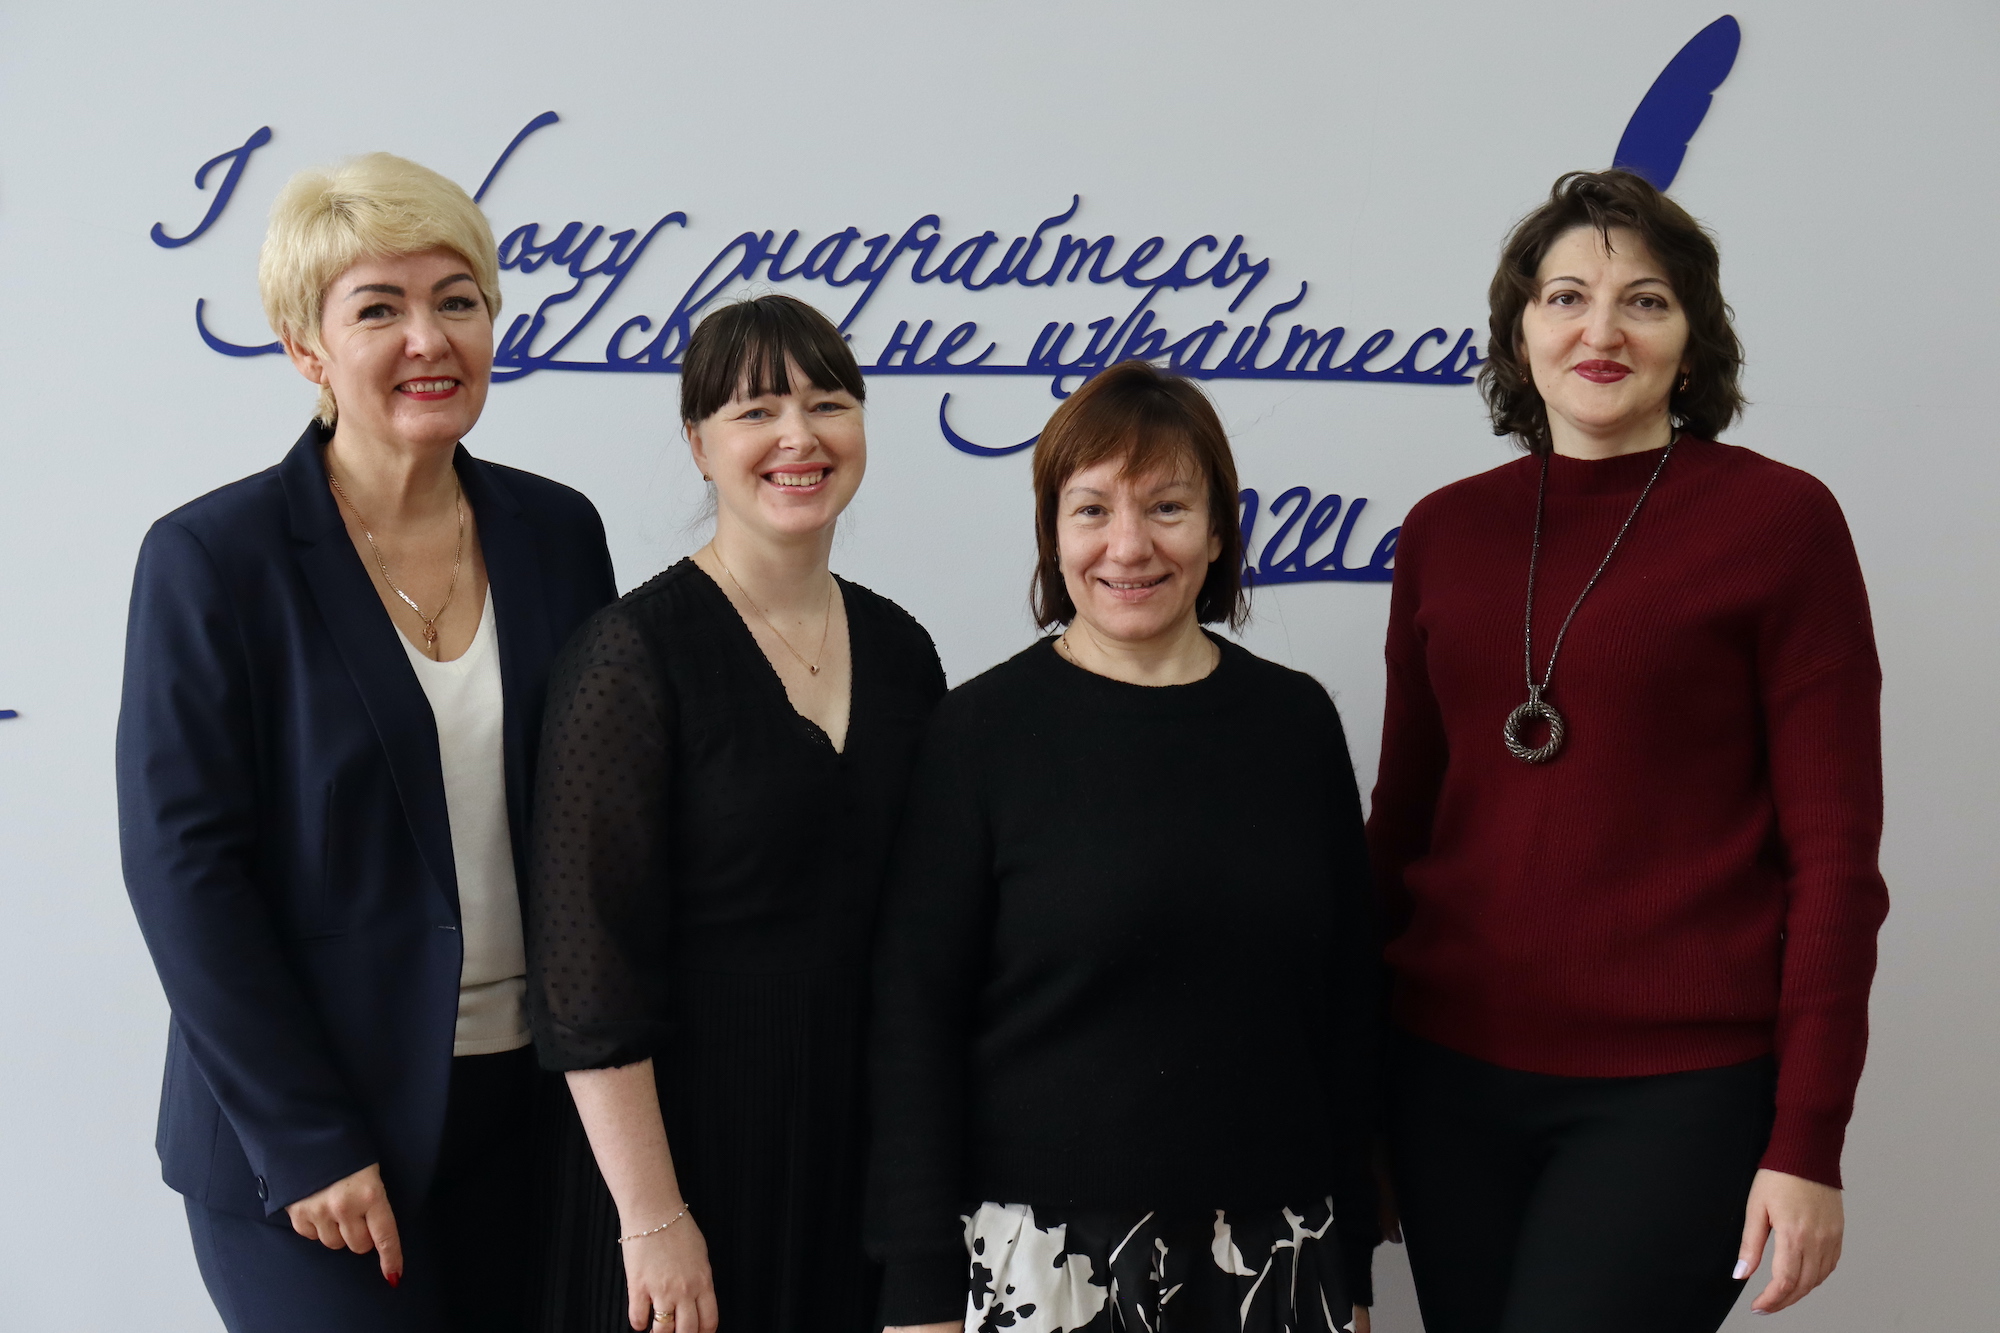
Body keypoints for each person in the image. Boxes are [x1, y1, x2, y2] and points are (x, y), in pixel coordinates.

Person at [1367, 169, 1887, 1333]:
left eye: (1642, 301)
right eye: (1564, 297)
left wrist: (1807, 1140)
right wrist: (1351, 1101)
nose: (1598, 330)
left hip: (1678, 1092)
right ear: (1518, 334)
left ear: (1691, 343)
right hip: (1445, 1076)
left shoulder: (1779, 523)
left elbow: (1834, 863)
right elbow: (1398, 829)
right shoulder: (1444, 530)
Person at [116, 153, 617, 1333]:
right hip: (310, 1141)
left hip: (532, 1112)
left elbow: (600, 817)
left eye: (457, 299)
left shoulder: (556, 532)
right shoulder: (214, 558)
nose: (428, 339)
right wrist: (307, 1139)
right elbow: (184, 871)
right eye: (379, 309)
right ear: (307, 347)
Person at [866, 360, 1381, 1333]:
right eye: (1092, 509)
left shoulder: (1295, 722)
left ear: (1218, 531)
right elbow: (913, 1022)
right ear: (1052, 534)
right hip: (1047, 1258)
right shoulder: (979, 733)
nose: (1129, 545)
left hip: (1274, 1251)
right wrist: (920, 1285)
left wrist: (1351, 1256)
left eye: (1167, 507)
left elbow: (1349, 1004)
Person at [525, 293, 947, 1333]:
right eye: (756, 410)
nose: (799, 436)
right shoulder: (628, 657)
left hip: (862, 1174)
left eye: (828, 403)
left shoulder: (903, 652)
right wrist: (652, 1217)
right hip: (682, 1174)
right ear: (698, 443)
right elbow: (585, 979)